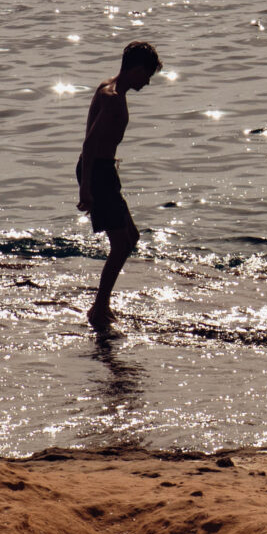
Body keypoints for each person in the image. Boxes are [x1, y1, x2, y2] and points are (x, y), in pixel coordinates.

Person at [77, 40, 160, 334]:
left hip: (105, 170)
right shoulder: (111, 96)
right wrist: (85, 187)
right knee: (122, 243)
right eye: (146, 75)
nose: (147, 82)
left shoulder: (110, 86)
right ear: (135, 69)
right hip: (96, 172)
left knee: (131, 237)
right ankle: (99, 308)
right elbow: (89, 143)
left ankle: (102, 304)